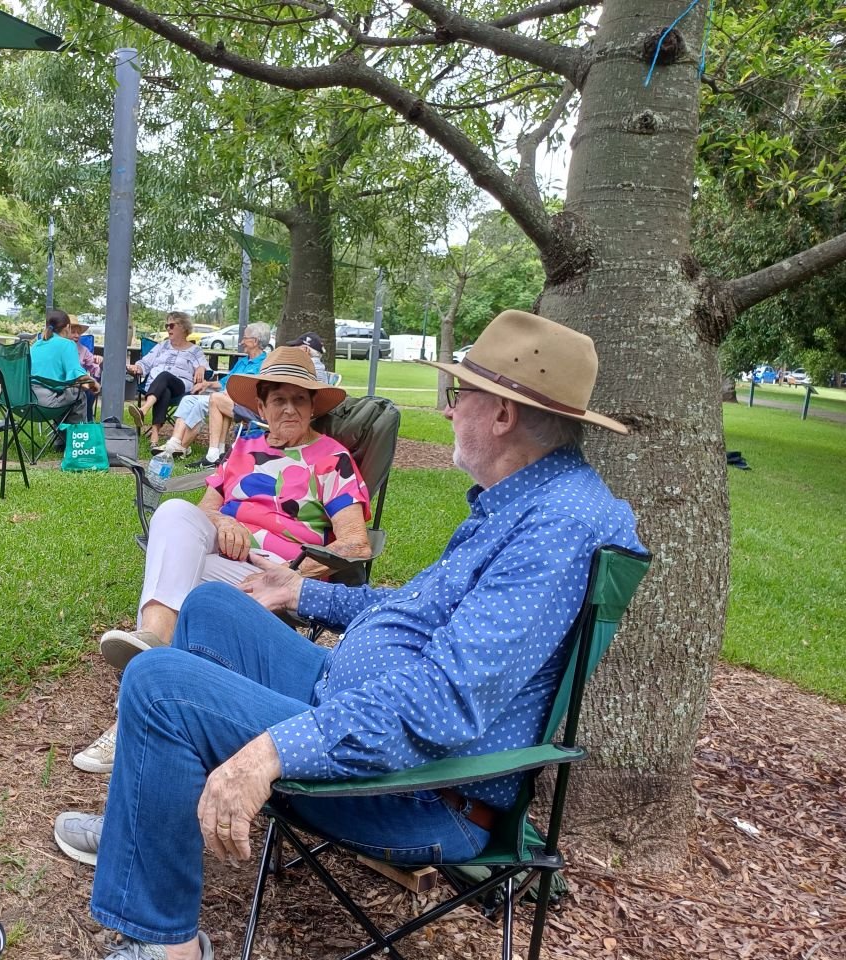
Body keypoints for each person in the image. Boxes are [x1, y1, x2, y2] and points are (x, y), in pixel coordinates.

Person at [54, 310, 645, 960]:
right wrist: (301, 592)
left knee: (158, 685)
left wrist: (273, 751)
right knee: (212, 606)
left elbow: (447, 701)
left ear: (502, 414)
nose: (451, 411)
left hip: (416, 787)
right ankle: (146, 824)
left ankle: (168, 949)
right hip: (358, 709)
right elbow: (418, 611)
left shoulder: (555, 529)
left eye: (459, 395)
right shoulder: (525, 502)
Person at [71, 347, 372, 774]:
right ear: (262, 407)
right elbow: (205, 510)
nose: (289, 408)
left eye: (299, 399)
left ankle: (129, 716)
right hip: (222, 551)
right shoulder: (245, 445)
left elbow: (355, 544)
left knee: (185, 584)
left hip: (271, 571)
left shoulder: (330, 459)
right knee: (174, 513)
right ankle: (154, 640)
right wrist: (224, 522)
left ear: (312, 408)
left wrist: (291, 578)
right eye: (279, 399)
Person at [155, 321, 269, 459]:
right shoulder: (242, 361)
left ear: (255, 341)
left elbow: (256, 392)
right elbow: (223, 383)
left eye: (244, 338)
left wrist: (231, 393)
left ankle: (183, 447)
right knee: (188, 399)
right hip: (223, 395)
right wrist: (206, 384)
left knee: (199, 403)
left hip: (240, 404)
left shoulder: (264, 364)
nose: (241, 342)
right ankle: (175, 442)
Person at [125, 312, 207, 448]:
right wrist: (137, 367)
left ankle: (144, 409)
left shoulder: (195, 350)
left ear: (183, 327)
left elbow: (205, 367)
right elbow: (145, 363)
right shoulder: (162, 346)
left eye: (171, 325)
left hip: (180, 387)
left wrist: (201, 368)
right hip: (157, 386)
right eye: (166, 326)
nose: (168, 328)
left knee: (164, 375)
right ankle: (154, 438)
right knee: (165, 391)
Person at [30, 309, 98, 436]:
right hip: (46, 405)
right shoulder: (67, 344)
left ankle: (60, 439)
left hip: (24, 403)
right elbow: (79, 376)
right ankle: (74, 440)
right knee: (78, 394)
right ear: (67, 327)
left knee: (63, 393)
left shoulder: (36, 345)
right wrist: (94, 383)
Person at [61, 314, 103, 420]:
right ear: (64, 332)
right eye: (73, 332)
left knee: (90, 390)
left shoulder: (83, 350)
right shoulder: (59, 347)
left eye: (79, 333)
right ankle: (83, 422)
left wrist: (99, 362)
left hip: (79, 385)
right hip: (61, 385)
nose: (77, 335)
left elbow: (95, 369)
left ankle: (87, 421)